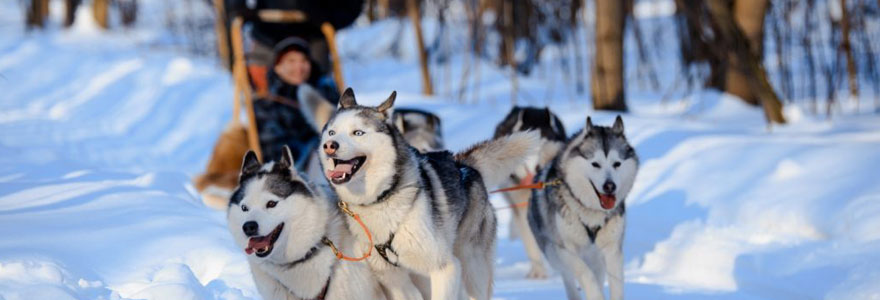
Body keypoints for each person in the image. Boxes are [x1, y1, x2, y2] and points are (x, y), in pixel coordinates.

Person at [253, 37, 337, 169]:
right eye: (291, 61)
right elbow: (274, 149)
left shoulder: (327, 93)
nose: (299, 67)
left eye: (304, 60)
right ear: (278, 67)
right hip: (295, 169)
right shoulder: (267, 105)